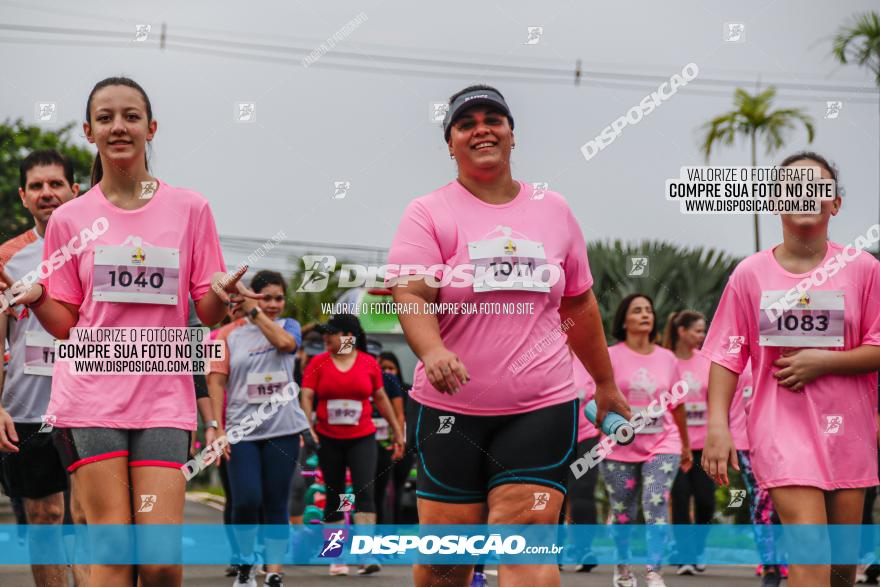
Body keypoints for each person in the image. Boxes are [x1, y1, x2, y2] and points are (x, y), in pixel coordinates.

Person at [0, 77, 251, 587]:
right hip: (90, 397)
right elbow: (65, 325)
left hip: (163, 397)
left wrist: (222, 294)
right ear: (90, 131)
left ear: (150, 129)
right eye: (107, 117)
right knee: (113, 554)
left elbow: (205, 310)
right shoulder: (71, 218)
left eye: (131, 116)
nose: (120, 126)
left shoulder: (190, 209)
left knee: (158, 561)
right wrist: (39, 297)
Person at [386, 84, 631, 587]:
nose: (482, 128)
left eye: (493, 118)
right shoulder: (428, 212)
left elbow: (579, 303)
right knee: (445, 567)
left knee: (526, 543)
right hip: (451, 412)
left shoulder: (554, 209)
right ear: (450, 143)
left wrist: (605, 384)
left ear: (512, 135)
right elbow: (411, 294)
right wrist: (432, 350)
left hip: (541, 407)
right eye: (466, 122)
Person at [702, 152, 880, 587]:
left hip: (848, 434)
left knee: (841, 570)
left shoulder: (863, 270)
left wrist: (825, 361)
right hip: (781, 428)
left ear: (834, 203)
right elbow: (727, 354)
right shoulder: (750, 274)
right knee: (810, 552)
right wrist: (717, 427)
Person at [0, 149, 87, 587]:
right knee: (44, 515)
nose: (47, 193)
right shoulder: (6, 259)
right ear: (23, 196)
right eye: (37, 186)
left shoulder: (97, 249)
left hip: (92, 403)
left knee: (91, 517)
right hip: (29, 409)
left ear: (75, 190)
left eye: (56, 184)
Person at [209, 270, 309, 587]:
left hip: (283, 430)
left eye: (279, 298)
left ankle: (274, 572)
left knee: (276, 502)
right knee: (247, 500)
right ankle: (246, 568)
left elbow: (284, 344)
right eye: (267, 297)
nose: (274, 304)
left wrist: (256, 312)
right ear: (253, 296)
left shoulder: (288, 326)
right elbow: (216, 381)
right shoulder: (228, 335)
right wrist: (216, 427)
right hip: (242, 432)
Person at [299, 313, 404, 576]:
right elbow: (307, 395)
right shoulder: (318, 363)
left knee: (363, 491)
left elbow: (380, 397)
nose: (325, 338)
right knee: (335, 494)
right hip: (329, 438)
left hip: (363, 438)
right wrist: (307, 426)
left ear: (348, 337)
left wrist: (397, 431)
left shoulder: (369, 363)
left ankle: (366, 553)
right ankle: (336, 554)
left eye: (330, 333)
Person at [599, 294, 691, 587]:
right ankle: (623, 568)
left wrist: (686, 445)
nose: (645, 315)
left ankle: (654, 571)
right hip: (618, 447)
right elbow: (596, 402)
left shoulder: (667, 358)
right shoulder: (609, 356)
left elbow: (677, 405)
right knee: (623, 511)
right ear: (624, 320)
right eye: (637, 310)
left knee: (656, 503)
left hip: (663, 443)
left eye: (649, 310)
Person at [662, 310, 714, 575]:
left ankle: (697, 548)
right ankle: (684, 556)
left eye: (704, 331)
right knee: (680, 498)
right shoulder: (665, 361)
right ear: (682, 331)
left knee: (706, 502)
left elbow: (716, 401)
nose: (702, 336)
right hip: (673, 444)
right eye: (697, 330)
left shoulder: (706, 361)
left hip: (704, 444)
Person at [729, 361, 786, 587]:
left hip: (786, 440)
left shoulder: (784, 353)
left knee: (785, 505)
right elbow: (722, 404)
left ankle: (782, 557)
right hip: (746, 442)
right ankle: (769, 565)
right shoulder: (735, 361)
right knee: (762, 503)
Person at [378, 350, 417, 525]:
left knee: (397, 489)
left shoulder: (408, 391)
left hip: (402, 446)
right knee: (381, 490)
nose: (387, 371)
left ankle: (396, 525)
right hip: (378, 446)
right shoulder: (373, 391)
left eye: (391, 368)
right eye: (383, 368)